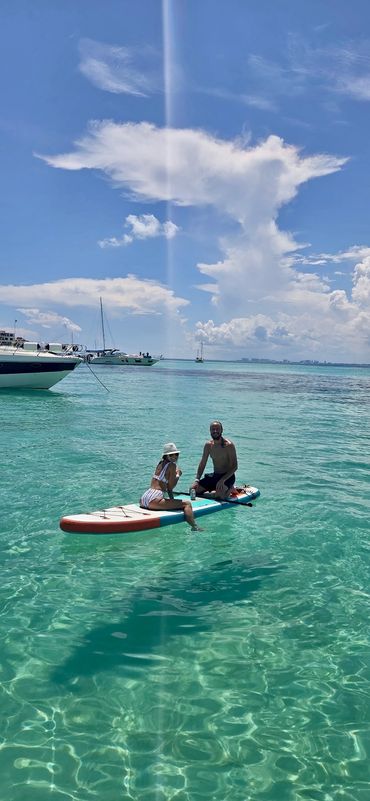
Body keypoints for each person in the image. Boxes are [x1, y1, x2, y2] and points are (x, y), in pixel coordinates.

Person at [140, 442, 202, 531]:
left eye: (176, 454)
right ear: (166, 456)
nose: (174, 457)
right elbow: (170, 487)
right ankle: (194, 527)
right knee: (187, 504)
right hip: (154, 498)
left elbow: (165, 486)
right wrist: (178, 475)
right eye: (171, 455)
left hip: (145, 497)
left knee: (176, 502)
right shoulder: (172, 465)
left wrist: (172, 500)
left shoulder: (160, 463)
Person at [190, 421, 238, 500]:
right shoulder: (208, 445)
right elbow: (202, 464)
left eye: (217, 429)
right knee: (193, 490)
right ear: (210, 431)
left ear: (222, 430)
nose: (215, 431)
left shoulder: (229, 445)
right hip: (215, 476)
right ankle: (215, 491)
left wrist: (223, 480)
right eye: (213, 429)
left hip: (227, 477)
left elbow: (235, 466)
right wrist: (197, 480)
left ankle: (229, 489)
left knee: (219, 496)